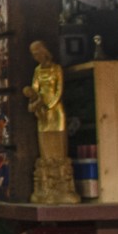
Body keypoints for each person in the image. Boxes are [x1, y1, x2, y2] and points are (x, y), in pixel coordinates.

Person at [24, 39, 78, 204]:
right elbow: (35, 89)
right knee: (44, 143)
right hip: (42, 112)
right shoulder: (37, 71)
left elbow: (59, 91)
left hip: (55, 110)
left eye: (37, 52)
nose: (36, 56)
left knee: (59, 142)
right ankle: (47, 184)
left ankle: (63, 185)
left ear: (44, 51)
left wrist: (49, 105)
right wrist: (34, 102)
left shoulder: (56, 69)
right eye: (33, 54)